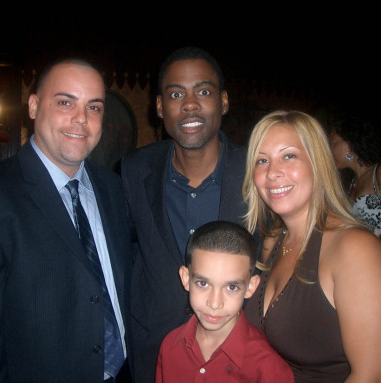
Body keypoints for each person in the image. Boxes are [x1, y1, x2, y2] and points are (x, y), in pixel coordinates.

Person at [0, 58, 134, 382]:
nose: (81, 119)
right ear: (33, 106)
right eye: (65, 102)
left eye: (94, 107)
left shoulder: (113, 188)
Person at [120, 46, 249, 383]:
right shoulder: (134, 169)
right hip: (154, 352)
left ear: (223, 101)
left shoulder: (255, 171)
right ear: (160, 107)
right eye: (176, 93)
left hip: (236, 358)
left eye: (203, 91)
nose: (190, 104)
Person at [243, 110, 381, 382]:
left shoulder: (355, 249)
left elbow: (370, 374)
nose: (272, 172)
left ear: (318, 163)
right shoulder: (273, 242)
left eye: (289, 155)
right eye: (262, 160)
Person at [155, 220, 294, 383]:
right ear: (186, 279)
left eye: (232, 287)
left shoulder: (268, 370)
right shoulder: (170, 346)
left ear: (250, 287)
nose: (214, 304)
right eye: (203, 283)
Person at [329, 117, 381, 236]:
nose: (329, 150)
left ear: (350, 143)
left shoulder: (377, 174)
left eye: (333, 143)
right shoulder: (351, 183)